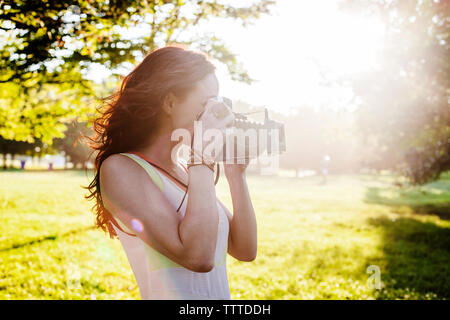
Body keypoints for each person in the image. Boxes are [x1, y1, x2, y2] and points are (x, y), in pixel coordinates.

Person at [84, 46, 257, 300]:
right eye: (206, 103)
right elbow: (198, 257)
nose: (217, 114)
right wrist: (202, 158)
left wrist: (236, 175)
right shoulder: (121, 168)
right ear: (170, 102)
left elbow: (245, 249)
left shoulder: (186, 171)